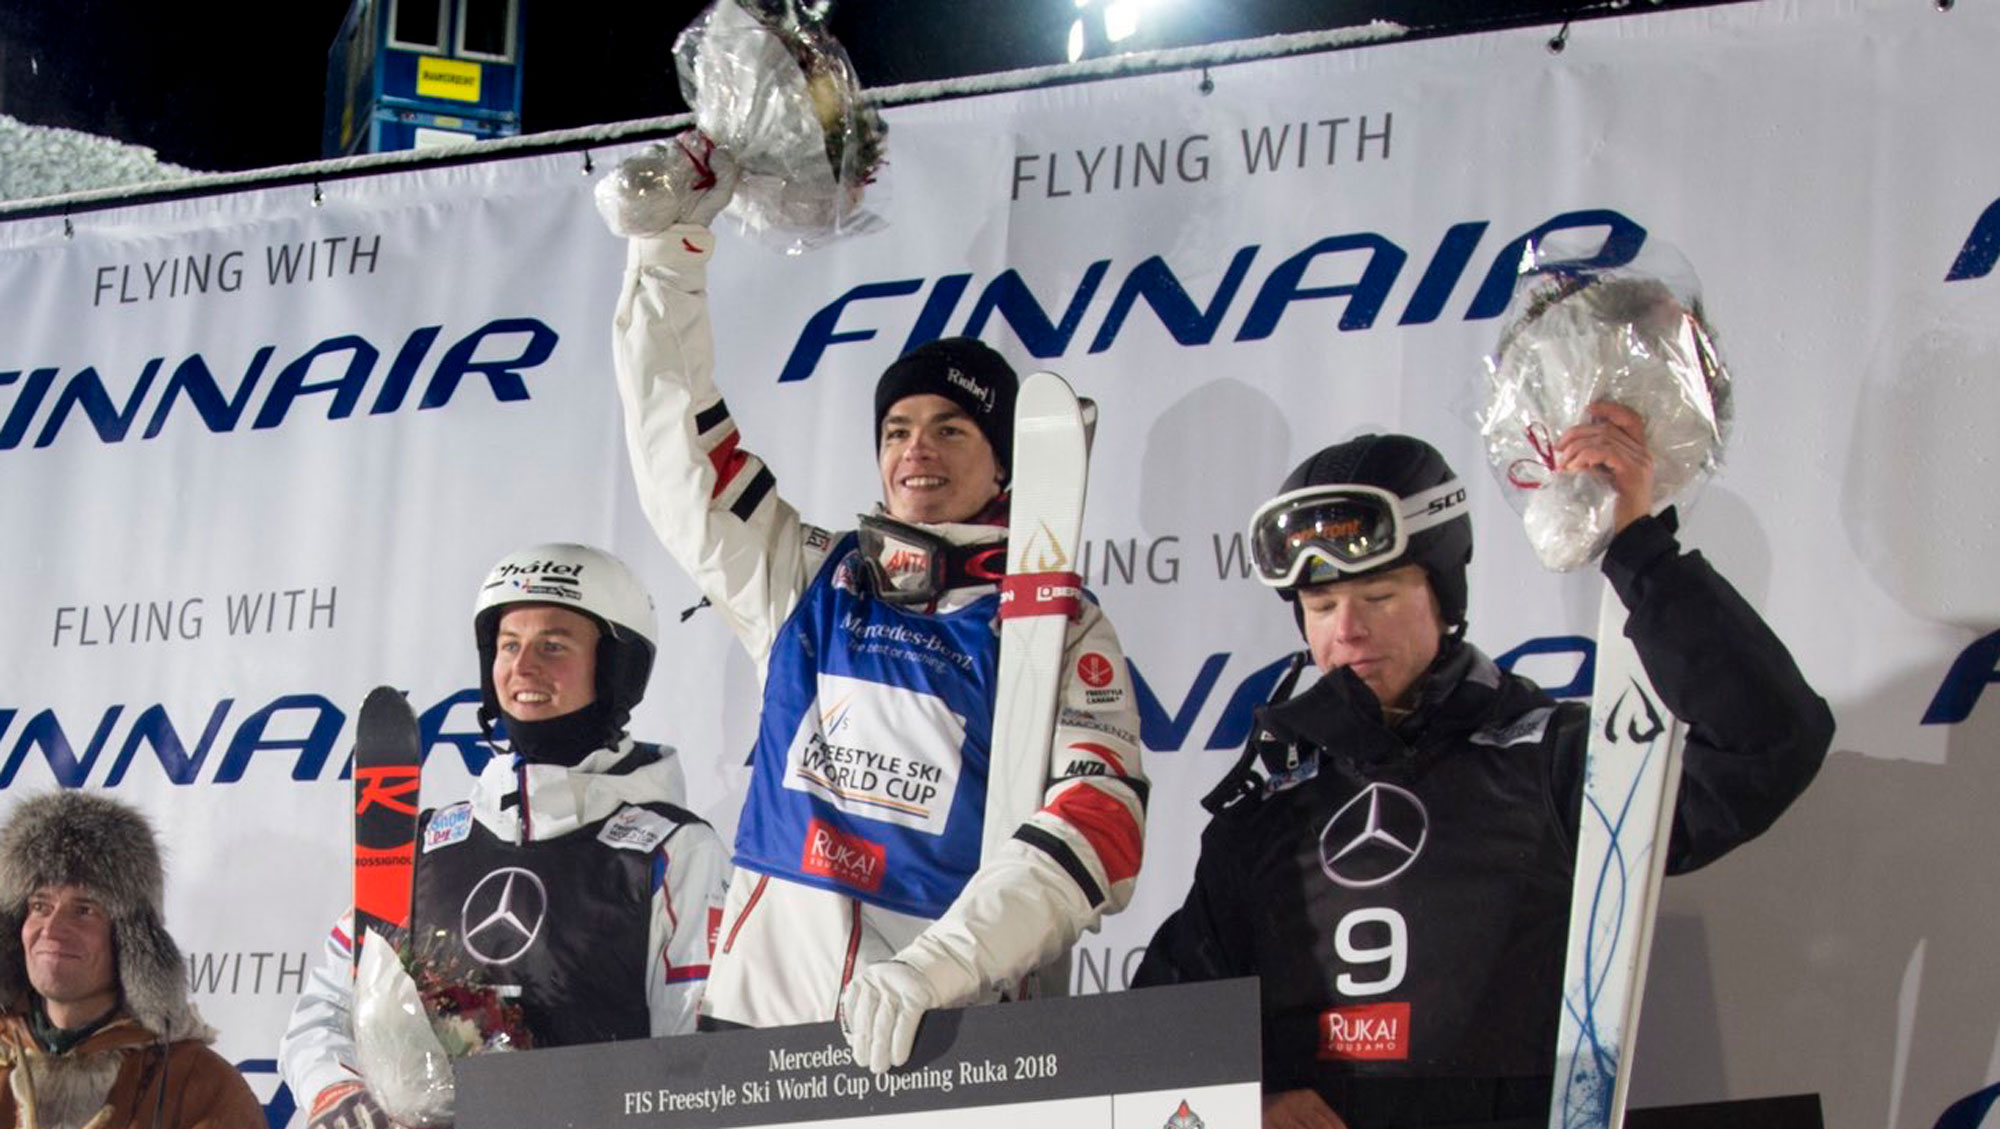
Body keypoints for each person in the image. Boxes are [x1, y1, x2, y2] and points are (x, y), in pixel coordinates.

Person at [598, 138, 1148, 1073]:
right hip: (758, 1031)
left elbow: (1101, 824)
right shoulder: (809, 575)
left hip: (944, 1033)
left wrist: (940, 969)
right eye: (897, 429)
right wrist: (667, 255)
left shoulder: (1055, 623)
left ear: (1007, 460)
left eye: (950, 429)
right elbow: (680, 459)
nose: (917, 450)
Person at [1133, 422, 1833, 1129]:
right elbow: (1149, 1042)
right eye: (1320, 607)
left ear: (1443, 595)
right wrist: (1242, 1109)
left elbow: (1769, 743)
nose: (1345, 630)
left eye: (1377, 596)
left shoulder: (1550, 760)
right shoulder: (1261, 819)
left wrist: (1638, 547)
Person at [279, 542, 730, 1128]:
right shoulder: (421, 848)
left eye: (553, 646)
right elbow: (327, 1009)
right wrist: (340, 1096)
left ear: (617, 669)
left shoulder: (672, 853)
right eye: (509, 646)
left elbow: (695, 1067)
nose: (523, 667)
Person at [0, 791, 265, 1128]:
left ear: (131, 938)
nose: (52, 929)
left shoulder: (200, 1085)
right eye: (40, 906)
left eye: (84, 910)